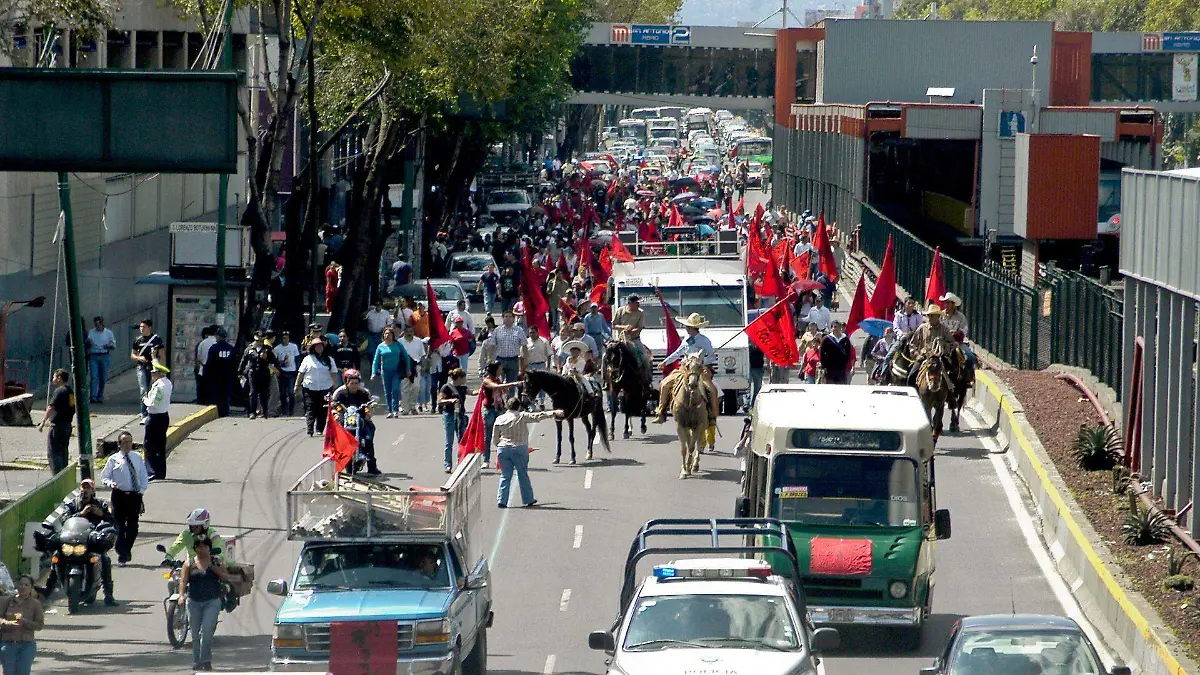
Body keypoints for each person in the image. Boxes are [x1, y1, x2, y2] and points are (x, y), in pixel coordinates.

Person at [492, 398, 562, 508]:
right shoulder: (522, 416)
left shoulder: (499, 419)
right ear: (519, 406)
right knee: (522, 474)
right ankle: (528, 499)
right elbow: (538, 416)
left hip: (503, 449)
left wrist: (499, 445)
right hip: (519, 448)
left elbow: (495, 438)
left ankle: (501, 500)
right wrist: (554, 412)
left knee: (505, 475)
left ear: (507, 406)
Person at [178, 535, 231, 671]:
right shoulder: (189, 563)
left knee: (206, 631)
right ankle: (197, 661)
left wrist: (216, 570)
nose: (202, 549)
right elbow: (183, 581)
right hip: (194, 601)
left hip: (212, 601)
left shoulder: (216, 561)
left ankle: (206, 661)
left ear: (209, 548)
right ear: (195, 548)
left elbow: (226, 576)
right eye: (199, 546)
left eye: (205, 546)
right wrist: (181, 596)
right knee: (195, 633)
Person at [99, 430, 149, 567]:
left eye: (130, 442)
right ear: (119, 444)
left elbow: (144, 476)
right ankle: (122, 553)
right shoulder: (113, 459)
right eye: (125, 442)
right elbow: (104, 477)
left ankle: (126, 549)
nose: (128, 445)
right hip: (119, 495)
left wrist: (142, 491)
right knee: (119, 526)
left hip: (134, 496)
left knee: (133, 527)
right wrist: (111, 484)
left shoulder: (137, 457)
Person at [331, 370, 379, 475]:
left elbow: (370, 405)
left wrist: (368, 413)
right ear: (346, 383)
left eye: (356, 383)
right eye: (351, 383)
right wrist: (336, 414)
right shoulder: (340, 393)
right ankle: (337, 462)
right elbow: (334, 406)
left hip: (361, 420)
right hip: (345, 421)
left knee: (368, 438)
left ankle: (372, 466)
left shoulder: (364, 392)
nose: (354, 385)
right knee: (334, 438)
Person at [0, 575, 45, 675]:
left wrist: (24, 621)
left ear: (31, 588)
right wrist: (7, 622)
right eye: (21, 584)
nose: (23, 587)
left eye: (26, 585)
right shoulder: (7, 601)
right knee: (8, 672)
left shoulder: (35, 604)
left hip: (27, 646)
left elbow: (39, 625)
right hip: (8, 645)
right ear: (16, 585)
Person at [479, 362, 520, 466]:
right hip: (490, 410)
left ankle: (501, 459)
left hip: (500, 409)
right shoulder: (487, 380)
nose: (501, 371)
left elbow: (503, 390)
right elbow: (495, 387)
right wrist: (512, 384)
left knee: (503, 435)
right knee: (488, 436)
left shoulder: (498, 379)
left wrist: (506, 388)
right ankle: (486, 460)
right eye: (499, 369)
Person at [295, 341, 337, 436]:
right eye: (317, 347)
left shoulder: (329, 359)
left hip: (325, 388)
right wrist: (297, 385)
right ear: (313, 348)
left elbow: (334, 372)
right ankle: (310, 429)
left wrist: (335, 385)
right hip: (310, 388)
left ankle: (319, 429)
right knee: (310, 408)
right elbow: (301, 373)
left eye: (320, 346)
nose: (319, 348)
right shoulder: (307, 359)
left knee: (323, 410)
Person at [38, 369, 74, 474]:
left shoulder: (60, 391)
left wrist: (43, 421)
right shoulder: (70, 391)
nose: (53, 379)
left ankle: (57, 474)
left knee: (54, 452)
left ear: (59, 378)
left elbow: (51, 407)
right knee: (63, 451)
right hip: (67, 425)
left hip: (57, 426)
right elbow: (73, 407)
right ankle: (63, 473)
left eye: (54, 377)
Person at [611, 294, 653, 382]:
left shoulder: (640, 312)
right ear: (630, 303)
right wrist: (624, 327)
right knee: (607, 356)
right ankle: (607, 381)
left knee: (645, 357)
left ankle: (647, 379)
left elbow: (640, 327)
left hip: (634, 339)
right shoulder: (620, 311)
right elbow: (613, 325)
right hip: (621, 340)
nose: (638, 305)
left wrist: (632, 330)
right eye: (636, 303)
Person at [131, 319, 165, 423]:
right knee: (143, 390)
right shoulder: (137, 340)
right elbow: (132, 355)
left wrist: (161, 368)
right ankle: (144, 414)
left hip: (153, 368)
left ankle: (152, 413)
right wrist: (139, 358)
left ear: (149, 327)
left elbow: (162, 355)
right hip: (141, 367)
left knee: (153, 389)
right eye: (140, 327)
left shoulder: (156, 339)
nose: (141, 329)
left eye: (144, 327)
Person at [161, 508, 226, 562]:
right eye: (191, 526)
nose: (193, 528)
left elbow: (219, 550)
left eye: (196, 526)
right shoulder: (186, 534)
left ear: (205, 525)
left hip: (208, 565)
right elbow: (176, 546)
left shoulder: (213, 535)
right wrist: (168, 557)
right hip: (191, 565)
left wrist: (217, 558)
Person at [143, 363, 173, 478]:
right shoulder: (168, 383)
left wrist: (145, 400)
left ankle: (152, 470)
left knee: (149, 445)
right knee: (160, 445)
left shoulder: (159, 386)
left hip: (155, 418)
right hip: (164, 416)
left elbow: (153, 403)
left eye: (153, 372)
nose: (151, 374)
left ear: (159, 373)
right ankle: (160, 471)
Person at [372, 327, 408, 418]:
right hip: (385, 371)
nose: (387, 335)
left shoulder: (397, 344)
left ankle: (395, 410)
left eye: (389, 334)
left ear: (393, 335)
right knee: (387, 392)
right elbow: (375, 361)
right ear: (383, 335)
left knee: (395, 390)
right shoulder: (380, 346)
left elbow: (406, 356)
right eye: (386, 334)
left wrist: (408, 369)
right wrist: (373, 372)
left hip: (396, 371)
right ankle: (390, 411)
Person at [239, 332, 276, 419]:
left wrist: (266, 358)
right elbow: (243, 361)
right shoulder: (250, 349)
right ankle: (252, 412)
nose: (259, 342)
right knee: (253, 393)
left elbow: (274, 361)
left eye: (261, 341)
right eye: (258, 341)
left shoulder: (267, 349)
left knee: (264, 393)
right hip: (253, 373)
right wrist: (240, 372)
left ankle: (265, 411)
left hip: (264, 373)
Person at [437, 369, 468, 473]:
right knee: (449, 440)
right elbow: (440, 401)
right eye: (464, 378)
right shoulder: (446, 387)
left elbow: (471, 392)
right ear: (459, 378)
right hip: (449, 415)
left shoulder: (462, 387)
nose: (465, 380)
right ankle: (448, 464)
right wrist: (450, 400)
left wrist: (479, 391)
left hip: (460, 415)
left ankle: (461, 461)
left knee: (462, 440)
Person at [485, 310, 527, 383]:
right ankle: (501, 394)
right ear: (503, 318)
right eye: (506, 316)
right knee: (499, 383)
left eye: (510, 317)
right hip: (500, 361)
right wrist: (489, 358)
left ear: (514, 319)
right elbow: (491, 345)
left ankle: (510, 394)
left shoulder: (519, 330)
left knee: (512, 384)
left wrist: (525, 360)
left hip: (513, 361)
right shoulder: (497, 330)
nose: (508, 318)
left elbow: (524, 346)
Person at [204, 328, 236, 417]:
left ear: (218, 336)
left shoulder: (214, 348)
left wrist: (207, 375)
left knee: (215, 394)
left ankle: (217, 411)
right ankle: (225, 411)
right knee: (225, 395)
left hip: (215, 376)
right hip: (227, 375)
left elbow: (209, 363)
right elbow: (234, 363)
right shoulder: (230, 348)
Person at [85, 316, 116, 404]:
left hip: (104, 355)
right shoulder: (91, 332)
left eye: (98, 324)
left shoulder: (108, 333)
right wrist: (89, 343)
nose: (97, 327)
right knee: (94, 376)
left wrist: (109, 346)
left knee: (103, 377)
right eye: (95, 325)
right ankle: (93, 396)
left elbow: (113, 345)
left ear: (102, 324)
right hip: (93, 355)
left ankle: (100, 395)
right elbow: (88, 342)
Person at [398, 325, 426, 414]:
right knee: (404, 389)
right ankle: (405, 408)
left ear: (413, 332)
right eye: (407, 331)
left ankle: (413, 406)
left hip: (416, 367)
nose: (409, 333)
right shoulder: (400, 342)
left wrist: (423, 365)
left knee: (416, 387)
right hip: (404, 367)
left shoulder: (418, 341)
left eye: (411, 331)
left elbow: (423, 355)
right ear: (404, 332)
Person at [273, 331, 301, 416]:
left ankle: (291, 410)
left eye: (287, 338)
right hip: (282, 372)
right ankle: (284, 410)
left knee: (291, 392)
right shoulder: (277, 348)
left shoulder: (293, 346)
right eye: (284, 338)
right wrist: (281, 364)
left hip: (292, 372)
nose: (286, 340)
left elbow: (297, 358)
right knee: (283, 393)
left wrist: (297, 369)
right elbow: (275, 361)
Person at [194, 325, 219, 405]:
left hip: (203, 369)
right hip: (216, 370)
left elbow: (199, 358)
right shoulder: (217, 342)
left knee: (203, 390)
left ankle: (202, 404)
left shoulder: (202, 343)